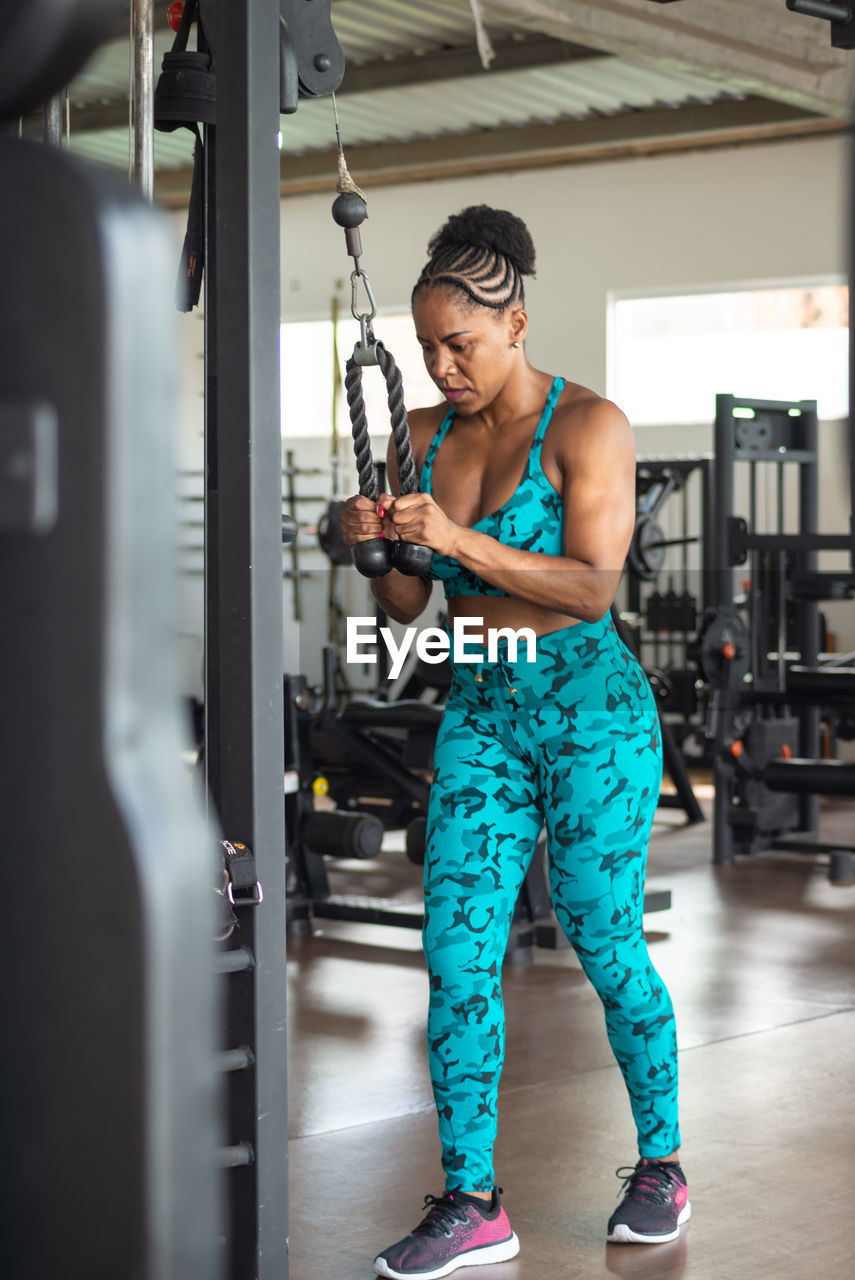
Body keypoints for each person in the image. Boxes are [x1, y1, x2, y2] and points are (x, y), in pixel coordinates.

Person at [341, 205, 689, 1280]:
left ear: (519, 322)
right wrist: (374, 540)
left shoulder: (590, 426)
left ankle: (664, 1161)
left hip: (594, 721)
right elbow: (404, 606)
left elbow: (589, 588)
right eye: (428, 346)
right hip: (486, 718)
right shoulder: (426, 439)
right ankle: (472, 1197)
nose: (442, 366)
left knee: (602, 937)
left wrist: (452, 537)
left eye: (463, 344)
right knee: (456, 953)